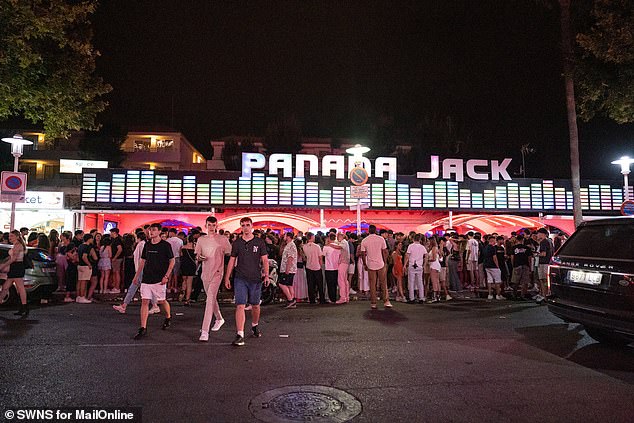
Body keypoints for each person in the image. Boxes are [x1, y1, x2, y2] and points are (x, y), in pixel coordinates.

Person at [223, 217, 269, 347]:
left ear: (252, 226)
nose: (245, 227)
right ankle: (240, 334)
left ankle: (254, 325)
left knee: (255, 305)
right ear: (241, 227)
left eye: (247, 225)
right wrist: (227, 277)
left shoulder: (259, 242)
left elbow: (265, 260)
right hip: (240, 278)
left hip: (255, 278)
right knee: (240, 305)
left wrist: (266, 275)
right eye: (243, 225)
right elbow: (232, 260)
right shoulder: (237, 243)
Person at [132, 223, 174, 340]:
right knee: (145, 301)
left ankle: (168, 316)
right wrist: (136, 276)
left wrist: (166, 276)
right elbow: (143, 261)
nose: (151, 232)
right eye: (150, 230)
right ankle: (143, 328)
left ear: (159, 231)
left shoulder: (165, 245)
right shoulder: (147, 245)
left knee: (161, 301)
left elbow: (172, 261)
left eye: (154, 230)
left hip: (160, 278)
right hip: (147, 278)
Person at [196, 216, 232, 342]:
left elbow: (230, 254)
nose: (212, 227)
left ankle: (204, 331)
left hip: (217, 273)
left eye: (214, 225)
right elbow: (197, 256)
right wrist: (200, 258)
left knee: (210, 299)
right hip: (205, 273)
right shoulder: (201, 239)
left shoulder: (223, 239)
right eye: (209, 225)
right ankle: (219, 318)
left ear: (217, 226)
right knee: (211, 299)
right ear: (206, 226)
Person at [360, 225, 392, 309]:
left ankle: (373, 302)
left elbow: (363, 254)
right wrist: (385, 262)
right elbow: (384, 251)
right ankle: (386, 301)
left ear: (368, 231)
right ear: (375, 231)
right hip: (380, 263)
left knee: (372, 284)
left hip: (370, 264)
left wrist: (364, 264)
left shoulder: (364, 240)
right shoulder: (381, 239)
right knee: (383, 283)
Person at [0, 230, 29, 316]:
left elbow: (14, 258)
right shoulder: (16, 245)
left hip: (17, 267)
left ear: (17, 236)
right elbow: (11, 257)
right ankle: (24, 307)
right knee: (5, 286)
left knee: (20, 287)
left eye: (12, 236)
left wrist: (3, 265)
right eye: (9, 236)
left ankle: (24, 307)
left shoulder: (18, 245)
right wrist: (4, 262)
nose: (10, 238)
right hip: (15, 267)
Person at [303, 232, 325, 304]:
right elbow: (320, 257)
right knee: (320, 284)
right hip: (317, 266)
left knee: (310, 284)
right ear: (312, 237)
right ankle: (321, 299)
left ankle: (312, 299)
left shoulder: (304, 246)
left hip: (309, 266)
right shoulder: (317, 246)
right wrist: (321, 266)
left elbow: (304, 257)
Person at [404, 234, 426, 304]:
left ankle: (412, 298)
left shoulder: (410, 246)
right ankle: (421, 298)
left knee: (411, 282)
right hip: (419, 265)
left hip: (412, 265)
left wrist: (404, 265)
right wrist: (424, 265)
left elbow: (407, 256)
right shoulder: (422, 247)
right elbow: (426, 255)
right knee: (420, 282)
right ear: (419, 239)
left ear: (413, 239)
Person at [278, 231, 298, 308]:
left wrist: (287, 269)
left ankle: (290, 300)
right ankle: (292, 300)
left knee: (281, 284)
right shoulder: (289, 245)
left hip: (288, 269)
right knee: (289, 285)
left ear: (288, 237)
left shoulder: (291, 246)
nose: (284, 237)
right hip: (288, 269)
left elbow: (290, 258)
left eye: (285, 236)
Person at [483, 235, 505, 300]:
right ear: (492, 241)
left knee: (489, 281)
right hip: (493, 266)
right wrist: (497, 266)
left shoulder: (485, 247)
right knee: (497, 281)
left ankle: (490, 294)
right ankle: (498, 295)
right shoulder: (492, 248)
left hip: (487, 265)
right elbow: (494, 257)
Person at [535, 228, 553, 304]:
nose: (537, 235)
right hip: (548, 262)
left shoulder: (544, 242)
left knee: (543, 280)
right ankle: (546, 295)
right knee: (545, 280)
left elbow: (543, 253)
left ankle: (545, 297)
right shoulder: (550, 241)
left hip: (543, 263)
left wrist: (536, 254)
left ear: (542, 234)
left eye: (538, 233)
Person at [322, 233, 341, 303]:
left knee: (329, 284)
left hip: (329, 268)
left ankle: (331, 298)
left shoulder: (326, 247)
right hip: (336, 267)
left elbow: (323, 256)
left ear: (329, 238)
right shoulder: (338, 247)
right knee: (334, 283)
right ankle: (335, 298)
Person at [179, 234, 197, 306]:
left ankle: (183, 291)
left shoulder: (183, 247)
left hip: (184, 265)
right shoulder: (194, 247)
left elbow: (181, 255)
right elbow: (197, 256)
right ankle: (187, 299)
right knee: (190, 283)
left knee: (184, 280)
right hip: (191, 265)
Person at [166, 228, 183, 295]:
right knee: (176, 274)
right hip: (177, 258)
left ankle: (169, 288)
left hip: (169, 258)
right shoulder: (180, 241)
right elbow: (180, 251)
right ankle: (175, 288)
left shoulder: (167, 240)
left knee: (169, 273)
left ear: (171, 233)